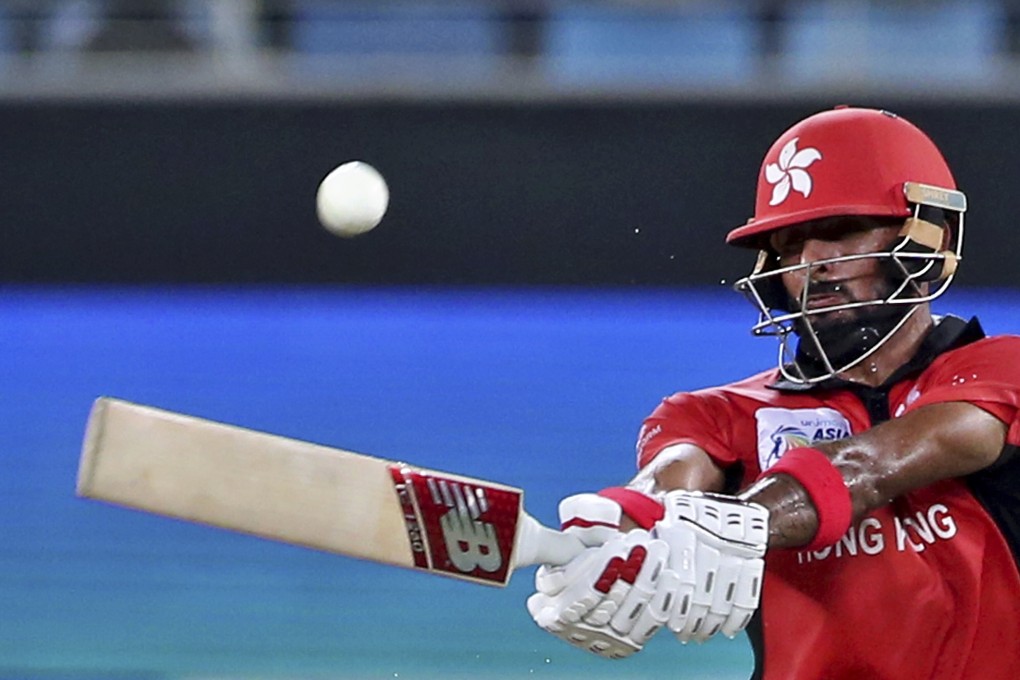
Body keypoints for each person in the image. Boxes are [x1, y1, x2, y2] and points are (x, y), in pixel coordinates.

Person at [527, 106, 1020, 679]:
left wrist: (734, 525)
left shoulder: (1001, 370)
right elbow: (665, 488)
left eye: (841, 231)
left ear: (928, 236)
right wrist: (610, 542)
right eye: (790, 244)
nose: (813, 263)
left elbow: (870, 465)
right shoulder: (713, 414)